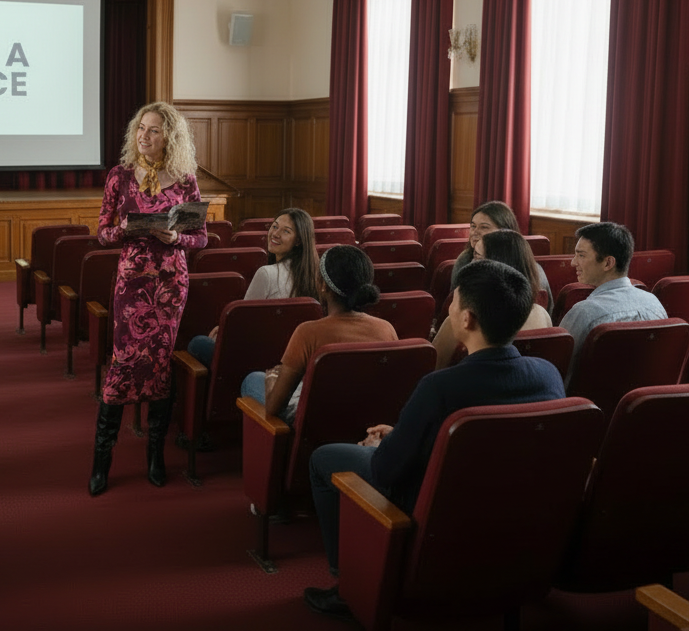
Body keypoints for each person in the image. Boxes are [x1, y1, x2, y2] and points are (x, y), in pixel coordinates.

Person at [303, 260, 564, 619]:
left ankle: (350, 583)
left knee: (323, 459)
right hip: (510, 509)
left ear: (467, 319)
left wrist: (383, 445)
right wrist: (404, 433)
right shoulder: (549, 374)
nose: (449, 308)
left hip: (434, 507)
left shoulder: (439, 387)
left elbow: (385, 471)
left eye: (454, 301)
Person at [89, 102, 207, 496]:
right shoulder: (119, 176)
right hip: (132, 283)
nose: (144, 135)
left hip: (170, 284)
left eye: (153, 130)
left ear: (169, 137)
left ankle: (155, 456)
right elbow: (102, 234)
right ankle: (101, 460)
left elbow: (200, 238)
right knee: (123, 362)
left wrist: (177, 237)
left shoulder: (186, 181)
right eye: (141, 128)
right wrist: (123, 229)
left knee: (159, 365)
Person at [241, 244, 396, 423]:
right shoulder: (386, 329)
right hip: (366, 418)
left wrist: (271, 378)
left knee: (252, 379)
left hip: (317, 420)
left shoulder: (308, 332)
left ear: (323, 285)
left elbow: (274, 407)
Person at [185, 208, 319, 368]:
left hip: (259, 357)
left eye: (286, 231)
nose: (275, 234)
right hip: (292, 356)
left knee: (198, 343)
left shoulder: (266, 273)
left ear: (298, 241)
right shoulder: (314, 274)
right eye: (275, 226)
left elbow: (242, 325)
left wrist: (222, 331)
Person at [559, 221, 667, 381]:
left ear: (608, 263)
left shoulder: (584, 312)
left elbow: (557, 371)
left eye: (581, 255)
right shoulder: (654, 303)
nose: (573, 262)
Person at [431, 228, 552, 370]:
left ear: (496, 264)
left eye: (476, 256)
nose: (470, 263)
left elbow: (431, 370)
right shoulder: (542, 314)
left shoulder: (460, 319)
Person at [450, 200, 553, 312]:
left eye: (484, 227)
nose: (475, 232)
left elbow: (546, 311)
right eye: (473, 226)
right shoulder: (465, 259)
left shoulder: (532, 269)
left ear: (505, 232)